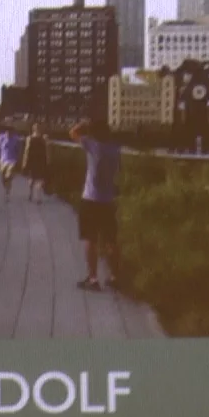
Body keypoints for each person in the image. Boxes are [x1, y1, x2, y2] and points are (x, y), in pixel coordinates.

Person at [69, 119, 122, 291]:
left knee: (90, 238)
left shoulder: (91, 144)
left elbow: (72, 133)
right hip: (108, 200)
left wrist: (83, 123)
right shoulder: (114, 148)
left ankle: (93, 278)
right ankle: (114, 276)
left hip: (90, 198)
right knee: (110, 239)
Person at [22, 122, 52, 203]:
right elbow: (48, 150)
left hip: (35, 160)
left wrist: (24, 163)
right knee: (37, 179)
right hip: (38, 160)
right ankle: (35, 195)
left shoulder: (32, 138)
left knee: (35, 179)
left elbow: (26, 151)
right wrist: (48, 161)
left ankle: (34, 195)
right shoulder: (42, 138)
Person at [0, 125, 23, 200]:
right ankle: (6, 188)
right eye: (7, 132)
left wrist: (19, 160)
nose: (8, 134)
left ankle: (7, 192)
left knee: (8, 176)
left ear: (13, 132)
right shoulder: (1, 137)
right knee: (3, 178)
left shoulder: (16, 139)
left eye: (10, 132)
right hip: (2, 160)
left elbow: (19, 150)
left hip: (12, 160)